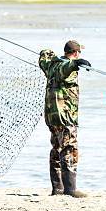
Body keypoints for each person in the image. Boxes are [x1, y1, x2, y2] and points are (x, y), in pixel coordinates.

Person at [38, 40, 90, 198]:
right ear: (75, 53)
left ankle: (58, 188)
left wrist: (52, 55)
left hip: (52, 117)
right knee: (69, 148)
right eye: (79, 53)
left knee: (56, 148)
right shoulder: (63, 66)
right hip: (65, 116)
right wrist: (75, 64)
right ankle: (70, 189)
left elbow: (43, 57)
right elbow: (64, 69)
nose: (80, 54)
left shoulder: (50, 65)